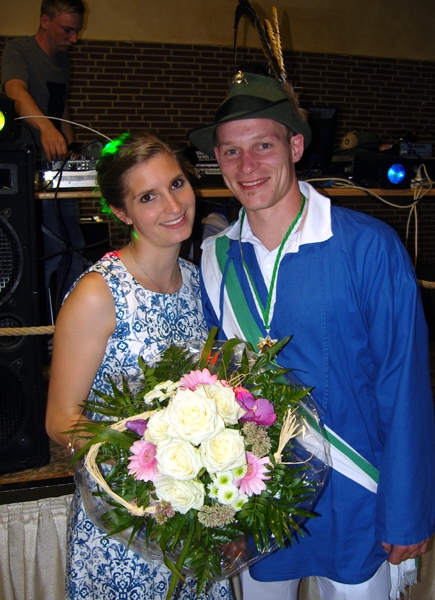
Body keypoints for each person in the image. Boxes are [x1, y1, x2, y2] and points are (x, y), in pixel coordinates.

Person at [188, 71, 435, 600]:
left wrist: (407, 511)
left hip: (356, 493)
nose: (247, 166)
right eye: (231, 151)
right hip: (257, 498)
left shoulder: (368, 246)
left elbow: (404, 384)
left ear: (296, 146)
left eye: (263, 145)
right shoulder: (215, 259)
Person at [45, 131, 233, 600]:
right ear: (122, 212)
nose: (173, 205)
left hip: (191, 519)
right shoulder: (98, 293)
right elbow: (61, 418)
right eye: (148, 197)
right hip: (124, 523)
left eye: (176, 184)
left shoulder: (200, 283)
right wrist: (146, 473)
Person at [1, 0, 87, 316]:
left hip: (57, 170)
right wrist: (46, 128)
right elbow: (15, 92)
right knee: (50, 251)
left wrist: (70, 146)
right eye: (67, 30)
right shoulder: (19, 50)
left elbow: (61, 107)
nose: (73, 38)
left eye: (76, 31)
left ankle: (71, 324)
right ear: (45, 21)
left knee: (74, 250)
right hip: (29, 167)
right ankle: (37, 327)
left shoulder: (63, 62)